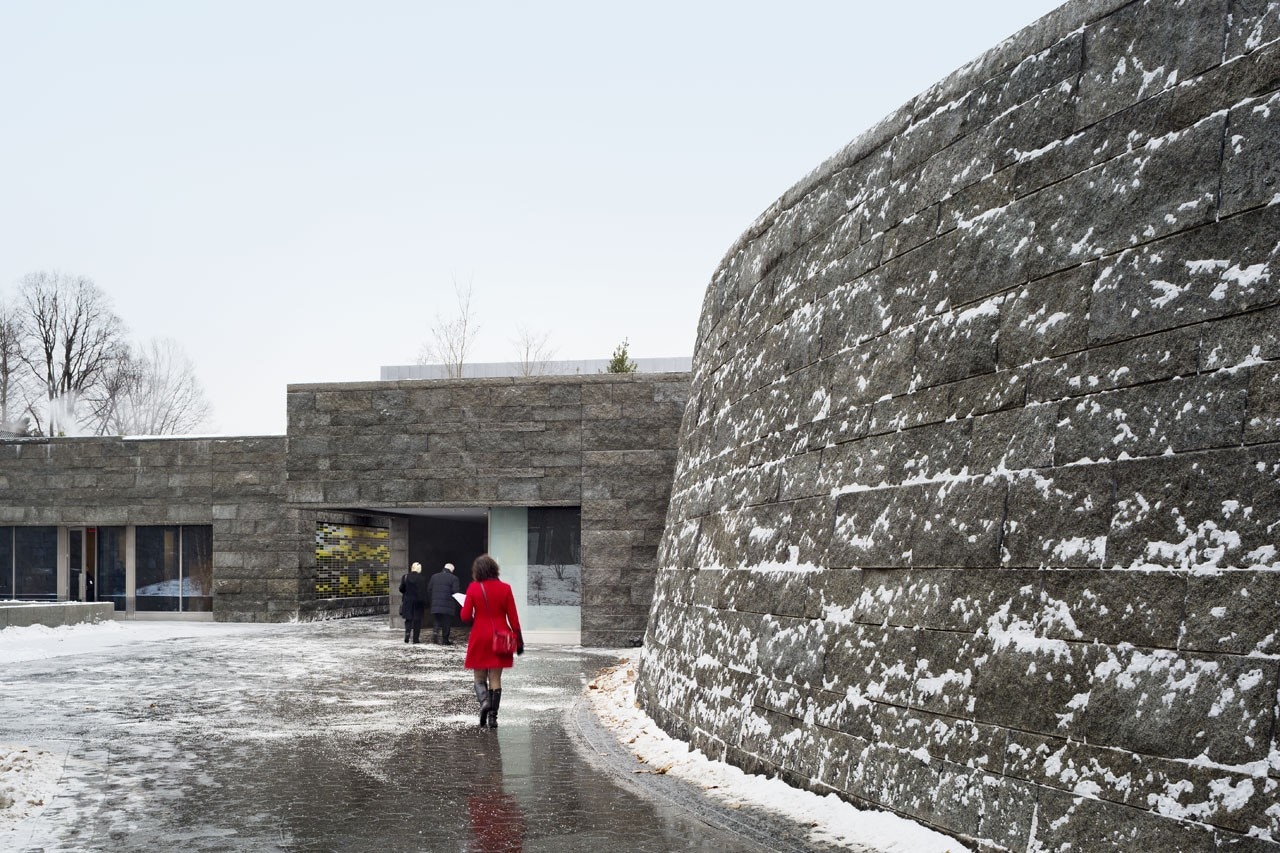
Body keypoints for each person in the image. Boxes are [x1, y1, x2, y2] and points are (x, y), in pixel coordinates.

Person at [459, 554, 523, 727]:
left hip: (480, 636)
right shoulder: (506, 588)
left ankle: (484, 702)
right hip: (500, 637)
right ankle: (493, 718)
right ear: (495, 569)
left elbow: (465, 616)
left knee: (479, 677)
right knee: (495, 678)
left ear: (477, 571)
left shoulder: (473, 588)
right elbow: (513, 617)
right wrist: (519, 640)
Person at [427, 561, 461, 645]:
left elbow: (429, 589)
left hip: (436, 604)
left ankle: (435, 631)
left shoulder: (434, 576)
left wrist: (433, 599)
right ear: (451, 570)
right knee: (446, 622)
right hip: (448, 604)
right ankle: (445, 640)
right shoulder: (454, 578)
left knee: (437, 620)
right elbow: (455, 591)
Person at [399, 561, 429, 644]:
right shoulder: (422, 578)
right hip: (418, 602)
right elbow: (423, 591)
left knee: (408, 619)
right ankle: (416, 639)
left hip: (407, 601)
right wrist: (426, 602)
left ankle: (407, 634)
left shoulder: (405, 577)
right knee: (417, 621)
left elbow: (401, 589)